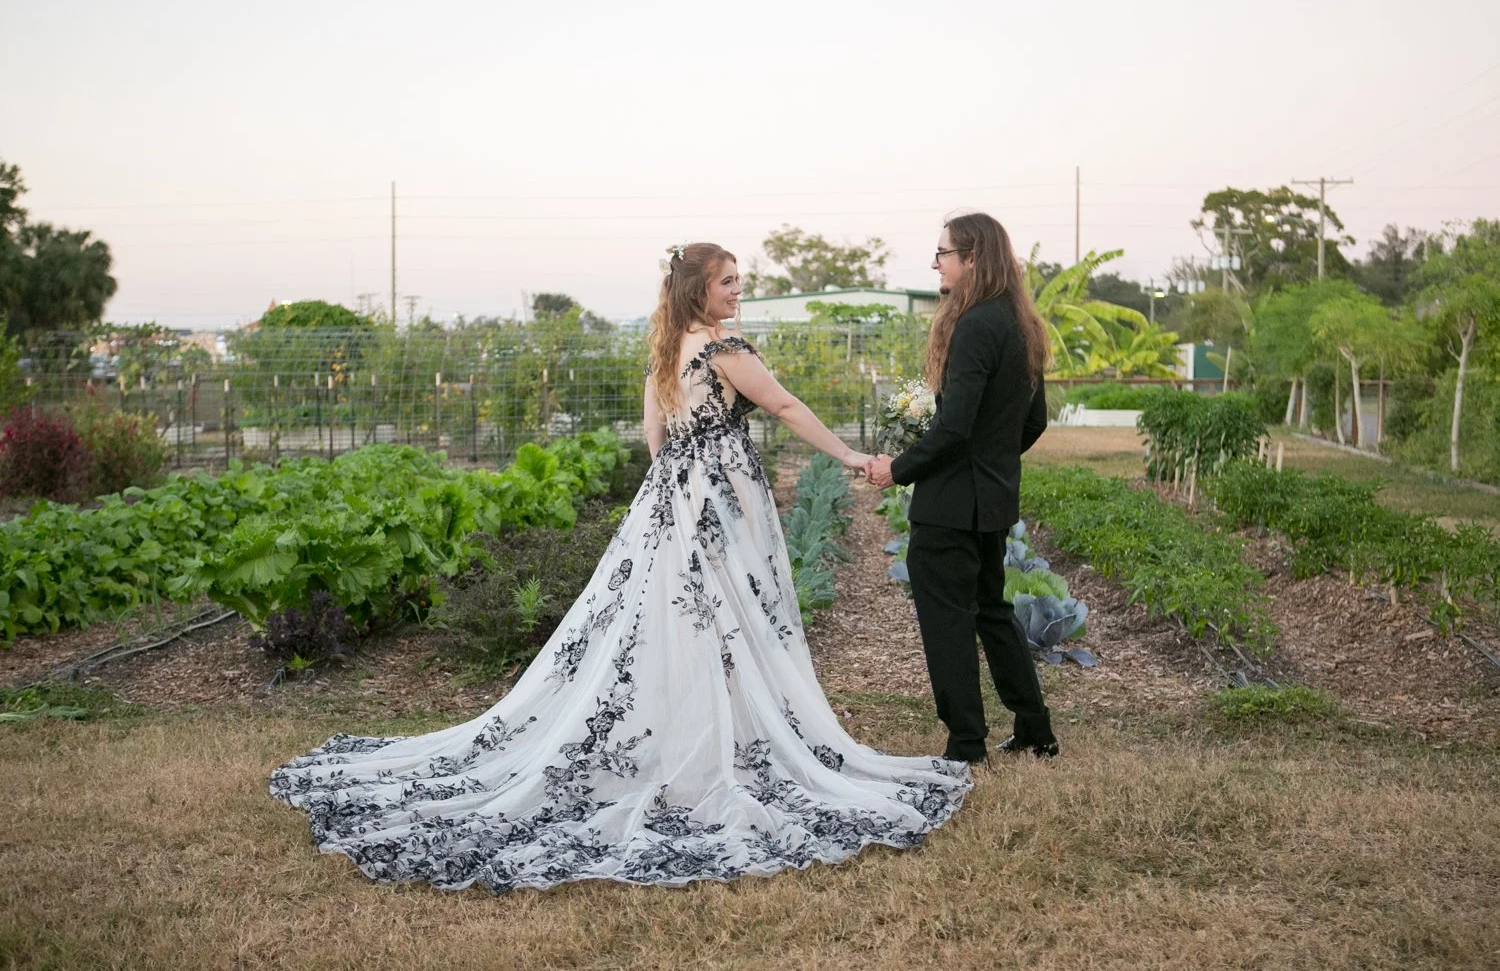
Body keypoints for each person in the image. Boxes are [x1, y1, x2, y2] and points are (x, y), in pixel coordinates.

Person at [269, 242, 972, 895]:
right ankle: (719, 746)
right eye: (728, 281)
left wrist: (681, 476)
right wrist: (852, 457)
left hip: (668, 498)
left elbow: (653, 437)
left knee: (668, 617)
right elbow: (783, 404)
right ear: (700, 290)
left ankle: (695, 739)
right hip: (719, 495)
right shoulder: (725, 348)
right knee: (728, 614)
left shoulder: (666, 352)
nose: (738, 290)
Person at [866, 213, 1057, 764]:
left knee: (948, 622)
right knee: (993, 613)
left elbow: (954, 429)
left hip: (950, 507)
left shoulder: (974, 324)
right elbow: (1034, 421)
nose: (935, 262)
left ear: (972, 258)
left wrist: (896, 468)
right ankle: (1035, 728)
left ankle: (966, 744)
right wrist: (992, 462)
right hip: (992, 502)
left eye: (943, 252)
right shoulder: (1023, 324)